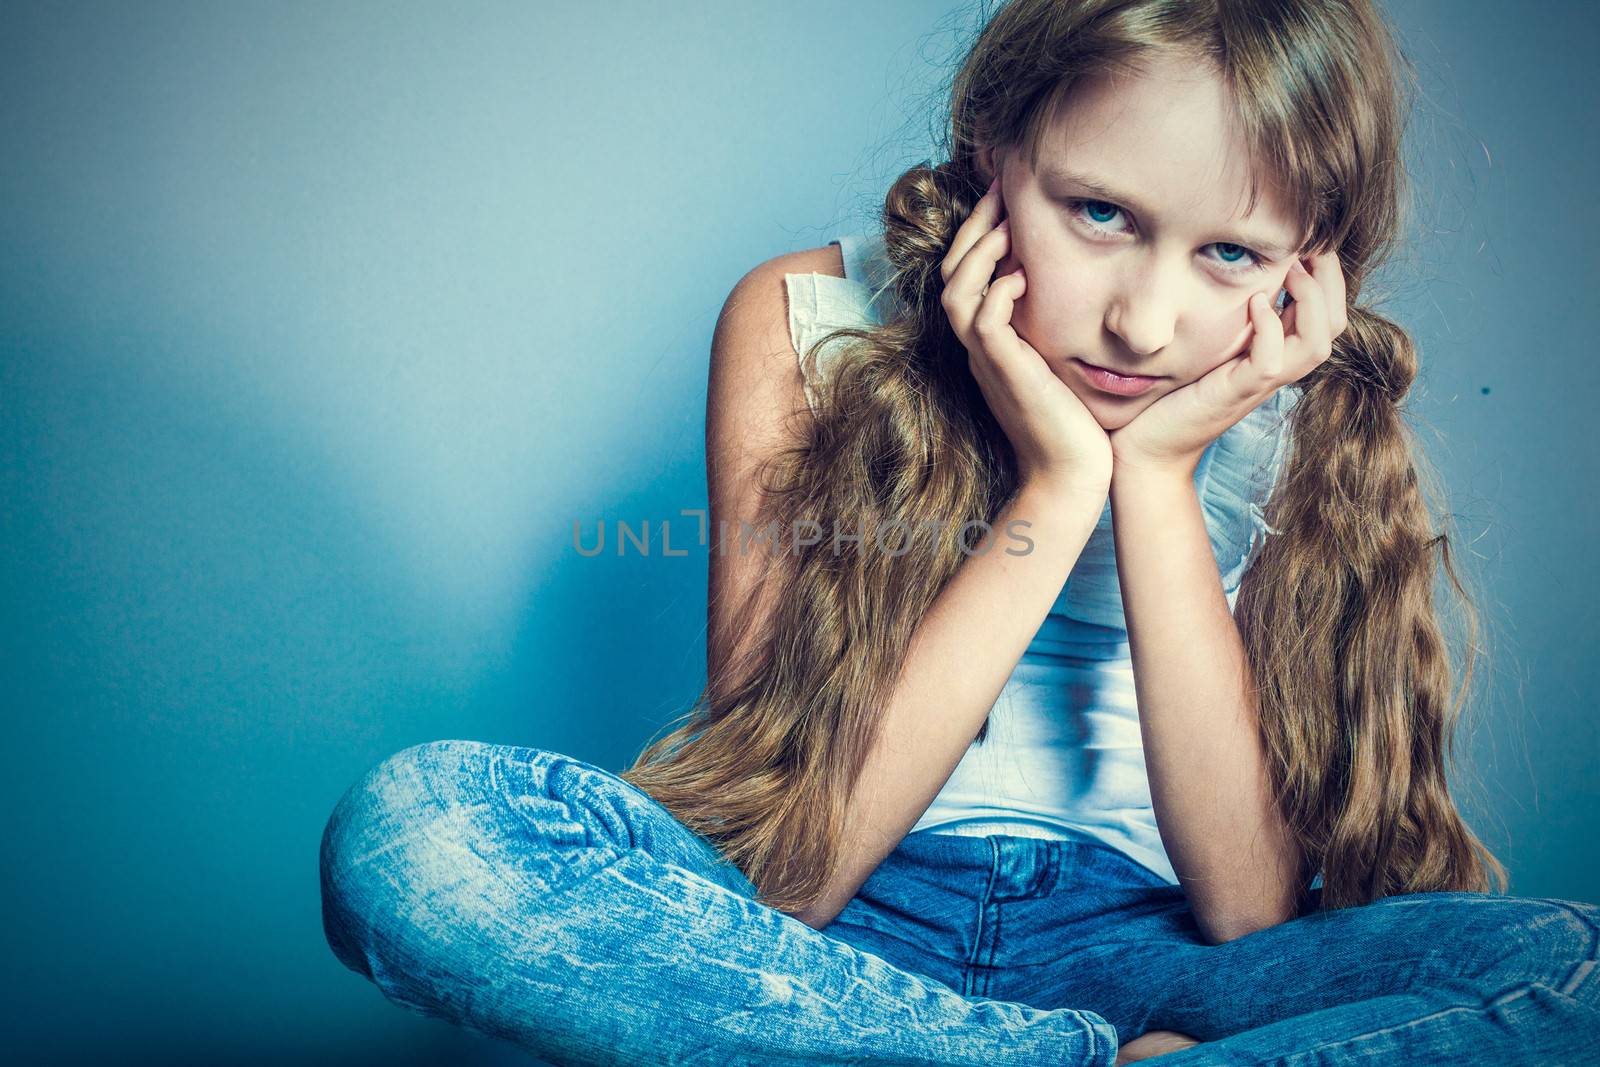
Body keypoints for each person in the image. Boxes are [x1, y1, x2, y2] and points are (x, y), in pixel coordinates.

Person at [319, 1, 1600, 1063]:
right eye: (1099, 213)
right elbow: (792, 870)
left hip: (1150, 949)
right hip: (831, 939)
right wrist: (1053, 487)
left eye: (1227, 252)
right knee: (413, 833)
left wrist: (1154, 480)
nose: (1144, 323)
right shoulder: (805, 317)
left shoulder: (1282, 397)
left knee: (1575, 970)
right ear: (992, 146)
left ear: (1308, 261)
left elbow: (1247, 914)